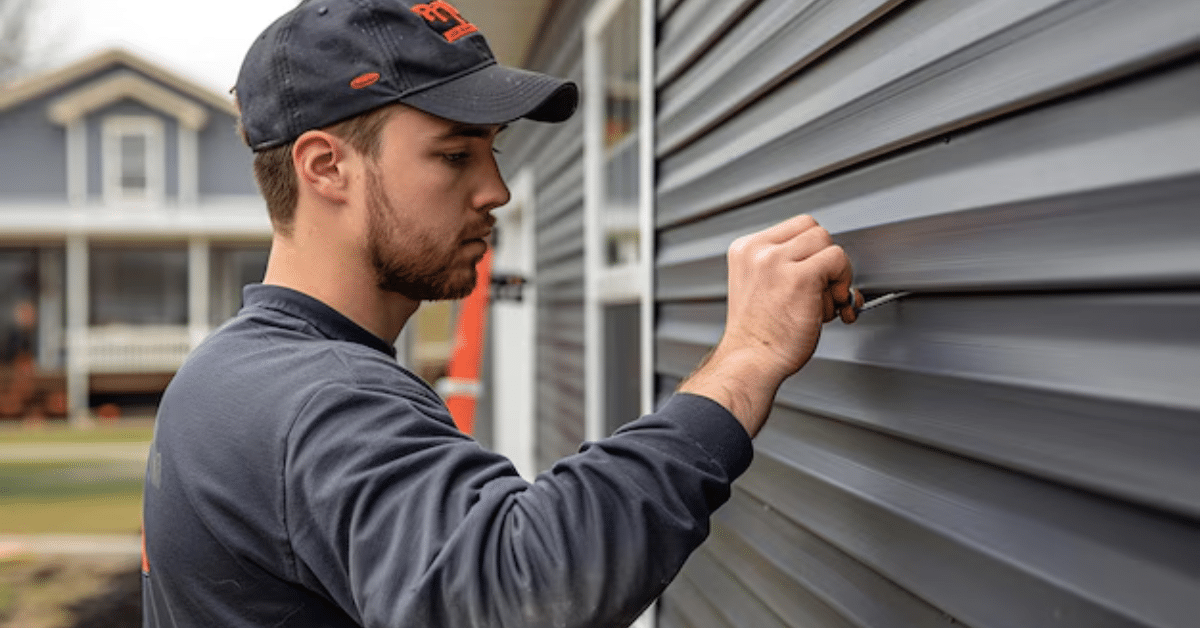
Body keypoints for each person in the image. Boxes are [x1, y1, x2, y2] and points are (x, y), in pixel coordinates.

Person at [140, 1, 863, 627]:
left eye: (492, 151)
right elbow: (526, 588)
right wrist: (749, 354)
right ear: (326, 167)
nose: (497, 191)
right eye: (455, 155)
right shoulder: (323, 398)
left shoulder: (227, 372)